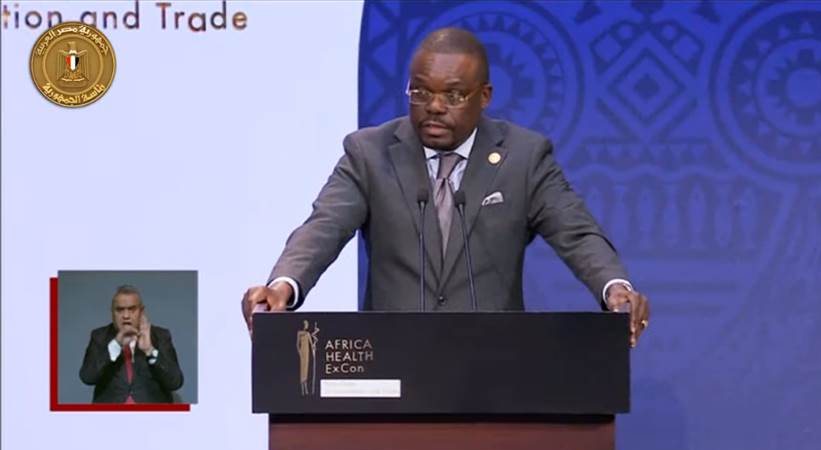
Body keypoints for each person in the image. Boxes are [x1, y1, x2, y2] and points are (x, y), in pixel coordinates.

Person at [242, 27, 651, 346]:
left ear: (484, 96)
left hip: (495, 364)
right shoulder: (370, 153)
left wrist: (615, 289)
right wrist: (282, 286)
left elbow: (577, 234)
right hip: (392, 362)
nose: (434, 106)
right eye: (420, 91)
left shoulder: (524, 158)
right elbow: (323, 228)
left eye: (453, 95)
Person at [79, 285, 184, 403]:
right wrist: (116, 345)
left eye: (132, 309)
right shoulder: (99, 336)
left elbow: (175, 382)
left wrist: (149, 350)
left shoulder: (161, 336)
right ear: (112, 312)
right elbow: (87, 377)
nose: (126, 316)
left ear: (141, 311)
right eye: (120, 310)